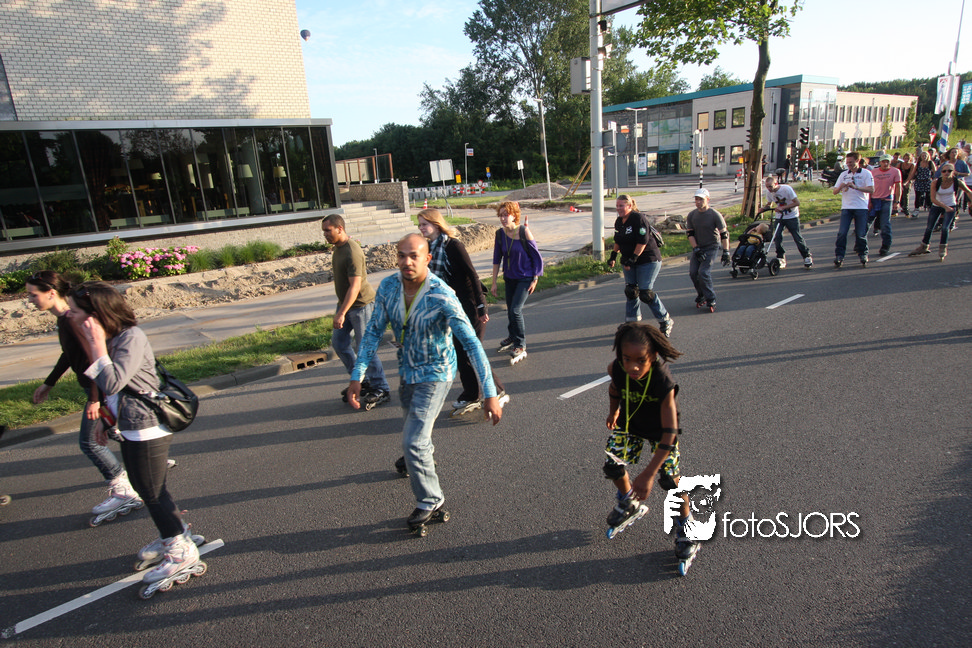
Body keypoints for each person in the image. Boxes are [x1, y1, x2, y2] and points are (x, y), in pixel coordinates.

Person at [346, 234, 503, 531]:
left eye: (414, 256)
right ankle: (420, 456)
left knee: (413, 439)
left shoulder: (441, 294)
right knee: (416, 433)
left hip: (436, 372)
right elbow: (373, 332)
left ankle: (431, 500)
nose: (406, 261)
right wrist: (358, 375)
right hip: (407, 369)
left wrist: (490, 393)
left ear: (428, 259)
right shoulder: (389, 287)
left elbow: (471, 344)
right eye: (401, 255)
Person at [70, 281, 201, 585]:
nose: (71, 315)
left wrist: (96, 345)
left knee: (151, 492)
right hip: (131, 424)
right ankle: (175, 534)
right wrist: (105, 420)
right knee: (150, 489)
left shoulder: (130, 337)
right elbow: (112, 391)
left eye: (76, 311)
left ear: (96, 314)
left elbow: (113, 381)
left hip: (147, 426)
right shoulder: (113, 337)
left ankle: (180, 550)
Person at [25, 271, 141, 520]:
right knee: (113, 430)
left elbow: (94, 358)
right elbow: (69, 354)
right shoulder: (65, 319)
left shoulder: (71, 320)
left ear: (51, 293)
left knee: (90, 443)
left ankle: (123, 489)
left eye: (33, 295)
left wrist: (94, 399)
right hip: (97, 389)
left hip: (98, 389)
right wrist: (48, 384)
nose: (30, 300)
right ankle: (145, 458)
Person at [600, 322, 698, 565]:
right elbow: (615, 388)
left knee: (670, 480)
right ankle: (629, 502)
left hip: (661, 432)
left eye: (640, 360)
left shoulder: (662, 382)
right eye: (626, 358)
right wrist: (613, 411)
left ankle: (687, 527)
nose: (632, 366)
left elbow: (670, 432)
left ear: (653, 356)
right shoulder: (617, 368)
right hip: (630, 423)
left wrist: (648, 474)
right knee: (612, 465)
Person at [416, 208, 509, 412]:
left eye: (424, 224)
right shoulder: (429, 249)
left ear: (436, 224)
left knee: (472, 350)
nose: (421, 228)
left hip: (469, 304)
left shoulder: (453, 246)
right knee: (460, 352)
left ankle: (497, 390)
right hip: (450, 306)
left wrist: (481, 305)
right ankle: (472, 394)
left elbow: (472, 275)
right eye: (419, 225)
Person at [321, 214, 391, 408]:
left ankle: (381, 387)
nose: (325, 234)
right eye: (324, 231)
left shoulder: (352, 251)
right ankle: (361, 379)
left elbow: (355, 286)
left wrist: (341, 313)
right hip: (346, 304)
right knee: (339, 343)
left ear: (340, 229)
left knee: (365, 348)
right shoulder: (338, 249)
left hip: (361, 306)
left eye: (328, 230)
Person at [607, 194, 674, 336]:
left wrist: (633, 258)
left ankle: (665, 320)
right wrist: (613, 256)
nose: (618, 208)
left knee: (645, 293)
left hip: (648, 260)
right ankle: (632, 324)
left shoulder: (638, 219)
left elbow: (642, 241)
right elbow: (618, 240)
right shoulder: (619, 221)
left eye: (621, 205)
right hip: (629, 260)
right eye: (617, 205)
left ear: (629, 206)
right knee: (631, 291)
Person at [491, 201, 543, 365]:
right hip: (509, 278)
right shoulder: (500, 234)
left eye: (506, 215)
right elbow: (496, 259)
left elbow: (536, 257)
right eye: (500, 215)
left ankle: (520, 344)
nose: (503, 218)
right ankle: (512, 336)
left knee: (515, 310)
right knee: (510, 310)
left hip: (525, 277)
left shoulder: (524, 231)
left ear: (514, 216)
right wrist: (494, 282)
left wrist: (535, 278)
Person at [907, 163, 972, 261]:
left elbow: (968, 191)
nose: (946, 173)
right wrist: (945, 207)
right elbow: (933, 199)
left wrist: (971, 202)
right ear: (941, 172)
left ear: (953, 172)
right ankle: (924, 246)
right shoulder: (936, 182)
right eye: (944, 171)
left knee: (945, 228)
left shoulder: (957, 182)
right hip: (937, 205)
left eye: (949, 171)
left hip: (951, 205)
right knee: (930, 227)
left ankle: (943, 248)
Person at [686, 188, 729, 311]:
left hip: (711, 246)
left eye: (701, 199)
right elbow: (690, 234)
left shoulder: (714, 214)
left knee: (703, 272)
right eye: (696, 199)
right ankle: (701, 295)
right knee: (693, 273)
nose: (698, 202)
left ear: (708, 200)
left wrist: (726, 251)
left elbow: (724, 234)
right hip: (698, 247)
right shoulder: (692, 215)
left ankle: (711, 298)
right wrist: (696, 249)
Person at [756, 176, 813, 268]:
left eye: (770, 186)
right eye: (767, 187)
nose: (769, 189)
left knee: (797, 237)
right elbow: (769, 204)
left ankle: (806, 256)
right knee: (777, 237)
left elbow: (797, 202)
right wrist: (763, 209)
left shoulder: (786, 189)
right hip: (780, 217)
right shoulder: (769, 193)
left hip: (792, 216)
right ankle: (780, 257)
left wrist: (783, 208)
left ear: (776, 184)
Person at [832, 151, 874, 268]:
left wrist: (856, 187)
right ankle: (839, 256)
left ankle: (863, 254)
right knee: (842, 233)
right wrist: (841, 186)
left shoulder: (866, 173)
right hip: (847, 207)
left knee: (860, 234)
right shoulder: (844, 174)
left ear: (857, 161)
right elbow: (835, 191)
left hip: (861, 207)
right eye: (847, 162)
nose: (848, 165)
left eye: (851, 162)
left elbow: (871, 189)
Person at [866, 154, 902, 256]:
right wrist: (869, 201)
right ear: (880, 162)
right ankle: (860, 243)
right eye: (883, 162)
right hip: (875, 199)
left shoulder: (895, 171)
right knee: (866, 223)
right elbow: (870, 187)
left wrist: (897, 201)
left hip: (887, 199)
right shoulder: (873, 172)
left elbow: (898, 187)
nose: (885, 164)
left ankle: (885, 246)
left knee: (885, 224)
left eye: (887, 162)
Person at [898, 152, 915, 217]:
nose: (906, 160)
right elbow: (896, 171)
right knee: (899, 193)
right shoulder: (900, 164)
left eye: (908, 158)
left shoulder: (912, 165)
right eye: (905, 158)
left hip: (908, 179)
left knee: (906, 194)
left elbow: (911, 174)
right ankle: (900, 206)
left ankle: (906, 208)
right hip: (900, 179)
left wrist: (906, 182)